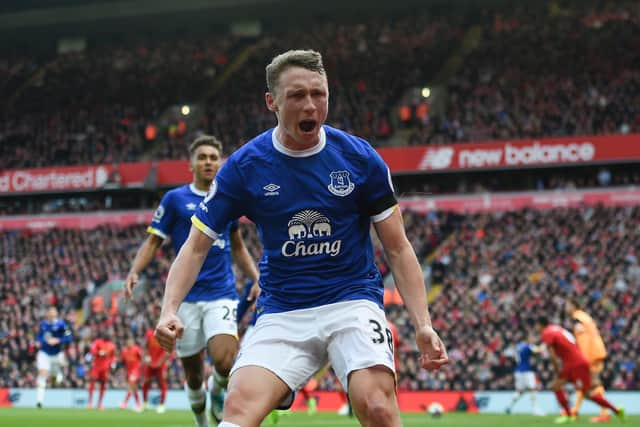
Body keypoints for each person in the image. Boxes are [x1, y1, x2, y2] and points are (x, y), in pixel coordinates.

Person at [155, 49, 448, 427]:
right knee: (238, 409)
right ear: (271, 102)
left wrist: (422, 323)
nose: (310, 105)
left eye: (319, 94)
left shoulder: (360, 159)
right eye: (297, 96)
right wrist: (168, 309)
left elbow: (397, 246)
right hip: (283, 310)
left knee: (377, 408)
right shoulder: (245, 167)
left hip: (352, 302)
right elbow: (196, 245)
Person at [125, 135, 260, 427]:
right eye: (203, 157)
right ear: (191, 164)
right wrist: (135, 270)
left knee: (225, 361)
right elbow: (152, 242)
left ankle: (218, 392)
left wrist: (257, 277)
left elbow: (238, 246)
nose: (209, 162)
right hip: (184, 299)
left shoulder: (228, 197)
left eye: (213, 157)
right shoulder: (175, 199)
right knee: (194, 376)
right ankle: (201, 420)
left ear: (220, 162)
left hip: (221, 293)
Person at [536, 316, 624, 424]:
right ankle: (569, 414)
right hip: (575, 362)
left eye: (537, 326)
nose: (537, 328)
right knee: (557, 386)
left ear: (540, 325)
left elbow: (552, 355)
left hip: (575, 365)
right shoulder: (557, 329)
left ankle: (616, 410)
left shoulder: (547, 333)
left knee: (586, 393)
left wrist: (557, 370)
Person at [565, 298, 610, 422]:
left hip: (591, 354)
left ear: (573, 306)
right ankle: (574, 411)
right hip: (596, 351)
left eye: (567, 305)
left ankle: (604, 413)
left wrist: (583, 359)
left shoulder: (578, 319)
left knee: (594, 383)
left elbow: (584, 340)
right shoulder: (584, 317)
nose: (565, 308)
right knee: (585, 384)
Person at [35, 306, 73, 408]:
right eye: (50, 312)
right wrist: (38, 341)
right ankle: (39, 401)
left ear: (56, 314)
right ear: (47, 314)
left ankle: (58, 375)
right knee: (42, 374)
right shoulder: (42, 324)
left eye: (54, 312)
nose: (52, 314)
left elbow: (69, 337)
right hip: (44, 353)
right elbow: (38, 336)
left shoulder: (61, 324)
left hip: (56, 355)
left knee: (55, 380)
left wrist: (58, 340)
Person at [504, 333, 544, 415]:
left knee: (520, 391)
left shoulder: (518, 346)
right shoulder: (528, 346)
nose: (533, 340)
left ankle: (508, 406)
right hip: (526, 371)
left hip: (518, 371)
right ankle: (535, 410)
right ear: (527, 338)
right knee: (533, 389)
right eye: (532, 338)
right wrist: (545, 344)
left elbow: (515, 357)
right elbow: (539, 350)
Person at [142, 327, 170, 413]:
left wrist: (160, 362)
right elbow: (145, 347)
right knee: (145, 382)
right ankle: (145, 404)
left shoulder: (166, 335)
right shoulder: (149, 334)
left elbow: (168, 351)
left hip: (161, 364)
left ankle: (162, 405)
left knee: (162, 384)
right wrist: (146, 357)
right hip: (150, 363)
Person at [87, 332, 116, 410]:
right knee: (92, 382)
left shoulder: (112, 345)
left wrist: (113, 363)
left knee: (103, 384)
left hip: (105, 368)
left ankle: (100, 404)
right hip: (96, 366)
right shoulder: (97, 342)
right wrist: (98, 352)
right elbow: (92, 350)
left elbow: (113, 356)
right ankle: (90, 402)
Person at [120, 335, 143, 412]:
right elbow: (122, 361)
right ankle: (138, 404)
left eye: (130, 342)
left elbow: (141, 358)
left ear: (133, 342)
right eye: (128, 342)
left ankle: (124, 403)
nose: (129, 343)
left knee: (131, 385)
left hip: (135, 371)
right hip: (128, 371)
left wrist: (140, 368)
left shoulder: (136, 349)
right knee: (133, 388)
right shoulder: (125, 351)